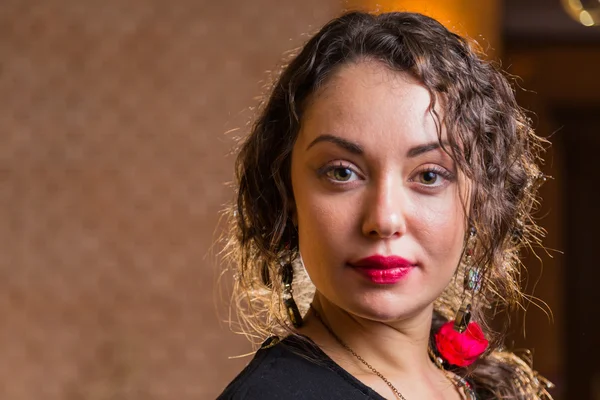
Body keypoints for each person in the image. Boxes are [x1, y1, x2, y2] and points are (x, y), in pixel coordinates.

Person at [217, 10, 554, 400]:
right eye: (342, 172)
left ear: (478, 202)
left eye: (428, 175)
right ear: (287, 195)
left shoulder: (463, 377)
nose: (384, 219)